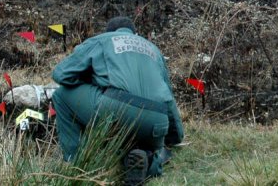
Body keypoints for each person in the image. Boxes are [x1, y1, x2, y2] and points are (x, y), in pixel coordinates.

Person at [51, 16, 184, 185]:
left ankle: (76, 165)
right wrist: (175, 136)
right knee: (140, 143)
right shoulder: (154, 50)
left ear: (110, 32)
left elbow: (61, 74)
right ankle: (150, 162)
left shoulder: (102, 40)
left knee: (61, 95)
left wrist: (94, 82)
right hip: (156, 121)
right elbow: (168, 99)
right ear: (135, 33)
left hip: (117, 111)